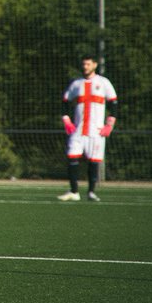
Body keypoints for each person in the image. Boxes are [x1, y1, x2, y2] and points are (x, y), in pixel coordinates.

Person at [58, 55, 117, 202]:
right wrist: (66, 120)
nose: (85, 67)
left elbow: (113, 103)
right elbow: (65, 101)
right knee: (71, 156)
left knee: (93, 161)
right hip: (78, 130)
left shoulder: (103, 83)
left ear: (95, 65)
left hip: (96, 131)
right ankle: (74, 191)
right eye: (84, 64)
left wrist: (109, 124)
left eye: (88, 64)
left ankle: (91, 192)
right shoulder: (76, 84)